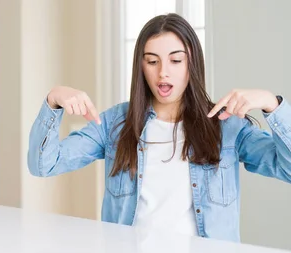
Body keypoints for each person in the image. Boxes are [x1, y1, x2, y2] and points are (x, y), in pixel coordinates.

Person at [27, 13, 291, 243]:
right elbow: (44, 165)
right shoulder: (113, 125)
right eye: (152, 61)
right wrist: (54, 100)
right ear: (141, 67)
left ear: (192, 64)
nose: (163, 72)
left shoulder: (227, 128)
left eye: (176, 60)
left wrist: (273, 105)